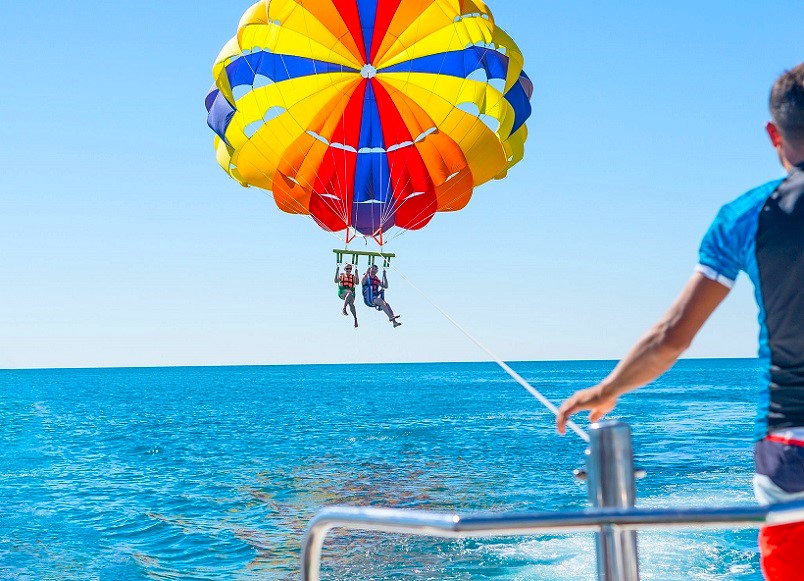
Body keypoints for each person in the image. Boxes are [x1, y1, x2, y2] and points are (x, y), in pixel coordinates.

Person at [556, 64, 804, 580]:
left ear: (773, 134)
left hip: (790, 453)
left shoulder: (744, 216)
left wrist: (607, 389)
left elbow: (672, 337)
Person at [335, 264, 359, 328]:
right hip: (342, 293)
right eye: (347, 268)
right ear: (345, 269)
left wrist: (357, 274)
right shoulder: (341, 276)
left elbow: (357, 283)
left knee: (351, 304)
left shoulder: (353, 277)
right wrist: (337, 271)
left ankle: (355, 319)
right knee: (350, 293)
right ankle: (344, 308)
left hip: (351, 293)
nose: (349, 270)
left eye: (350, 269)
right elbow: (335, 281)